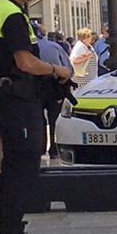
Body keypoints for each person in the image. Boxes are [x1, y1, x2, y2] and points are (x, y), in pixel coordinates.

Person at [0, 0, 67, 234]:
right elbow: (25, 63)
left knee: (12, 171)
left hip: (10, 97)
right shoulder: (13, 16)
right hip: (17, 100)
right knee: (21, 168)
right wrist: (57, 69)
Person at [35, 27, 73, 158]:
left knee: (37, 118)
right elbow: (69, 69)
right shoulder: (54, 47)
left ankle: (40, 148)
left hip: (34, 86)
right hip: (54, 85)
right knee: (55, 118)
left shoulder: (26, 49)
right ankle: (54, 149)